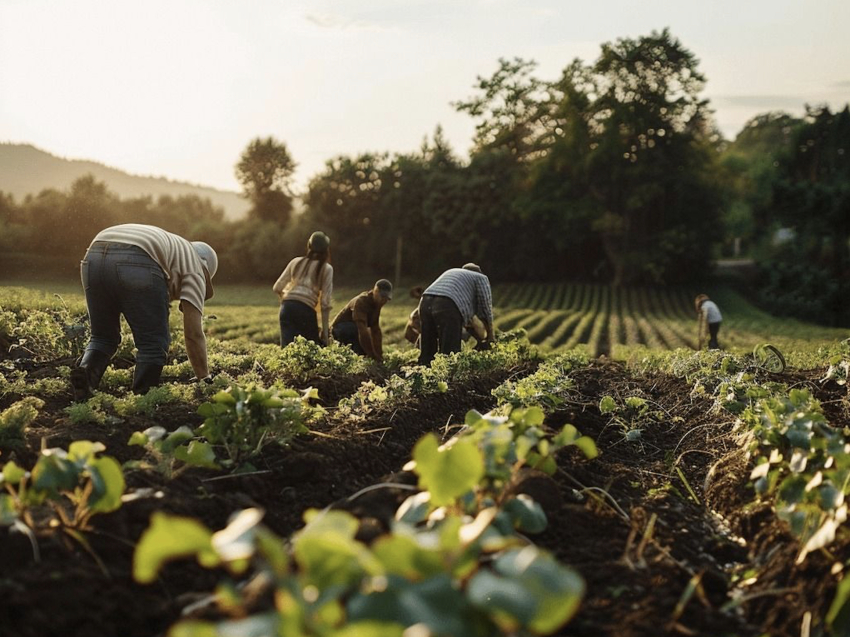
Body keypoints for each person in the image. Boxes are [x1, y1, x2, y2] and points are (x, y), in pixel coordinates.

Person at [70, 223, 218, 400]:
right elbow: (193, 334)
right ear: (206, 269)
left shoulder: (176, 250)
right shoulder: (196, 268)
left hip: (95, 253)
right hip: (137, 258)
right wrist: (204, 377)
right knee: (153, 344)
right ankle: (142, 398)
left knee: (103, 337)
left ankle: (85, 376)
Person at [418, 263, 494, 365]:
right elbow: (486, 309)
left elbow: (468, 322)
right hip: (447, 303)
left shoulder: (453, 272)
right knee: (450, 351)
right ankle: (447, 371)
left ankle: (423, 370)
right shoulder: (480, 277)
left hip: (425, 301)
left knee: (428, 348)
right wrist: (491, 337)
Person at [273, 231, 333, 347]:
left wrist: (288, 300)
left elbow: (277, 288)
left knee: (287, 349)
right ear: (326, 250)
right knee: (310, 349)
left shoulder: (296, 262)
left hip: (287, 308)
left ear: (309, 246)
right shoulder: (326, 269)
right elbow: (325, 304)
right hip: (306, 311)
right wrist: (325, 334)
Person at [331, 279, 393, 362]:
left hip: (353, 330)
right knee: (360, 334)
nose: (384, 301)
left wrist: (379, 355)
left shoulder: (377, 304)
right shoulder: (361, 301)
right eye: (382, 297)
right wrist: (372, 356)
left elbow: (375, 330)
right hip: (339, 330)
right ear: (375, 292)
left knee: (367, 337)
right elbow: (362, 331)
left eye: (386, 299)